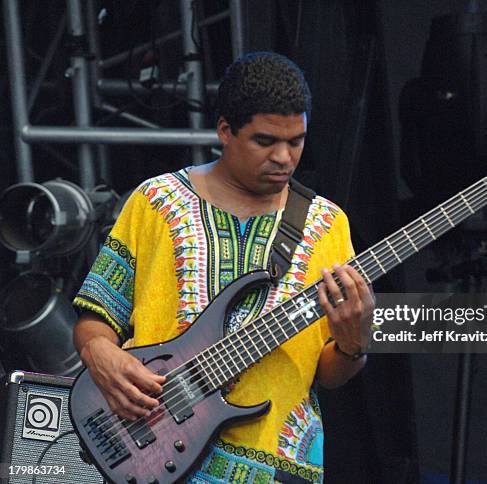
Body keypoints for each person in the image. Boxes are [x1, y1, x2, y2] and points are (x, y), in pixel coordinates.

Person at [73, 51, 374, 484]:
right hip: (150, 448)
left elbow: (329, 373)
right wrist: (99, 355)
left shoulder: (328, 223)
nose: (285, 158)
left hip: (276, 466)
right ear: (225, 131)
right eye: (266, 141)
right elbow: (94, 318)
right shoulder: (156, 201)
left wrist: (353, 345)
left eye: (297, 140)